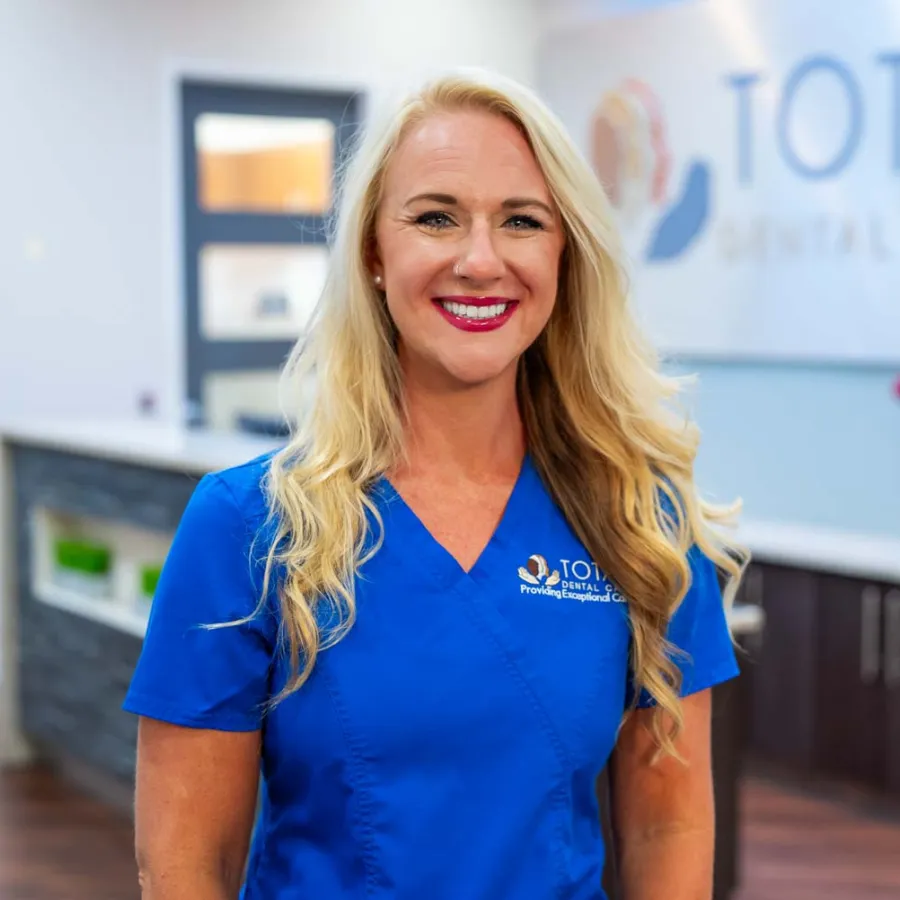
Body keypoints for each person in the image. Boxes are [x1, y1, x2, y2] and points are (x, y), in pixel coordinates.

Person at [125, 68, 747, 900]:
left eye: (522, 221)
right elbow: (185, 868)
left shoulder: (640, 524)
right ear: (375, 254)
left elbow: (668, 825)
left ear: (564, 255)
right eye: (435, 217)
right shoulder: (249, 527)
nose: (480, 260)